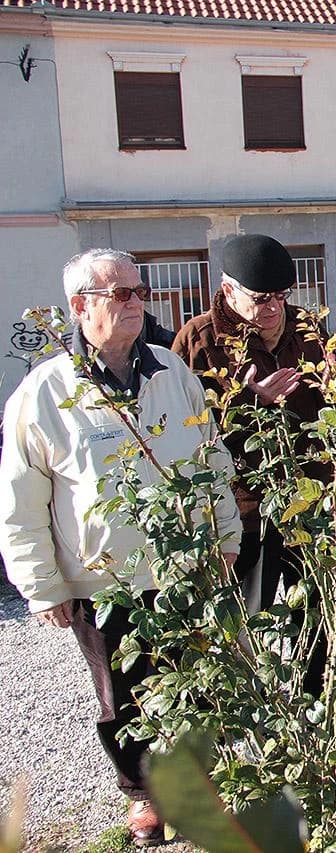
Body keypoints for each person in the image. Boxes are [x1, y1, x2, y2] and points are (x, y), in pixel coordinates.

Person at [0, 249, 241, 846]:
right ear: (81, 307)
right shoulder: (45, 393)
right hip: (103, 582)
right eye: (122, 294)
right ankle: (145, 798)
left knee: (197, 681)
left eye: (141, 292)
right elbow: (21, 499)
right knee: (123, 696)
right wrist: (41, 584)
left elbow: (210, 456)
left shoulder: (169, 370)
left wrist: (225, 535)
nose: (138, 303)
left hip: (185, 569)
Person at [171, 234, 331, 696]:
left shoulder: (306, 329)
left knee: (314, 606)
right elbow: (185, 428)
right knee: (246, 611)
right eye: (262, 299)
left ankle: (312, 696)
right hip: (242, 503)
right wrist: (248, 404)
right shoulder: (198, 341)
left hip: (307, 496)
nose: (274, 309)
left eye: (282, 297)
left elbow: (330, 402)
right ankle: (246, 702)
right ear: (227, 289)